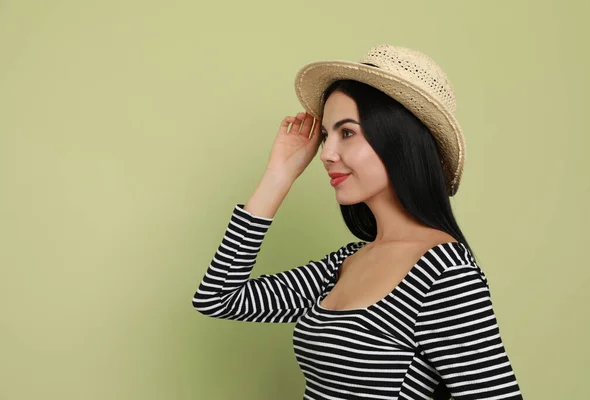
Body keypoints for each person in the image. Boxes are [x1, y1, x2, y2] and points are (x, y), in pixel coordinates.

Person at [192, 44, 523, 399]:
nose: (327, 154)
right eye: (325, 136)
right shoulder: (345, 262)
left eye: (346, 132)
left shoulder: (444, 273)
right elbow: (218, 297)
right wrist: (279, 175)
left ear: (398, 140)